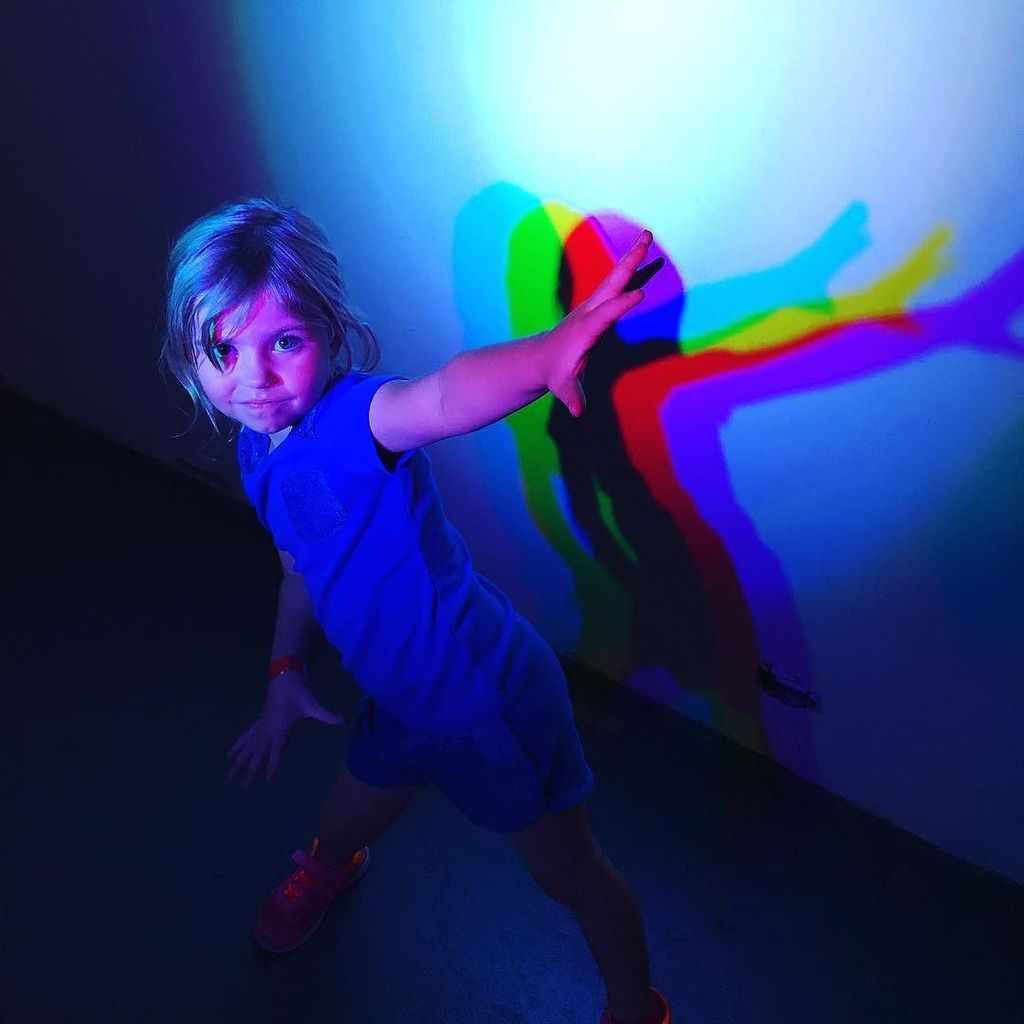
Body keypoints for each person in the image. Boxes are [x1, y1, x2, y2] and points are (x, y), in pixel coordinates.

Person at [160, 197, 671, 1024]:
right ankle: (331, 869)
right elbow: (300, 570)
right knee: (340, 823)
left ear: (332, 333)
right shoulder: (259, 447)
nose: (253, 377)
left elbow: (441, 399)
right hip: (398, 698)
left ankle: (634, 1006)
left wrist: (545, 354)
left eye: (283, 342)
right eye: (223, 349)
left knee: (567, 872)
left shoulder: (355, 421)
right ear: (191, 356)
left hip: (484, 700)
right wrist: (284, 671)